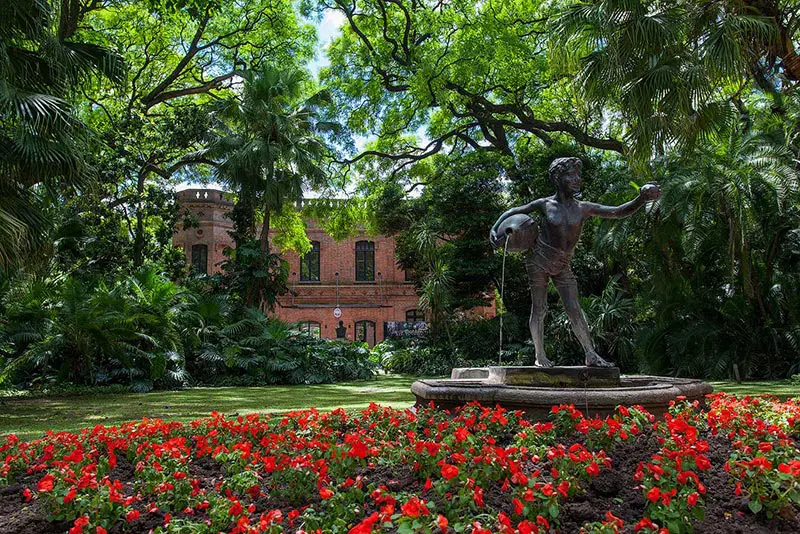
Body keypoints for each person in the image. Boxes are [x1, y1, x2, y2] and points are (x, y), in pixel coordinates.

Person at [490, 157, 661, 367]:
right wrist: (495, 229)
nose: (577, 179)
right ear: (557, 178)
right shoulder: (544, 204)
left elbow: (617, 212)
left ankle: (590, 354)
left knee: (574, 309)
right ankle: (540, 356)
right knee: (539, 308)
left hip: (563, 264)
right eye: (571, 174)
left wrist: (641, 199)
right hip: (538, 260)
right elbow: (513, 211)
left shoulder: (583, 208)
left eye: (578, 175)